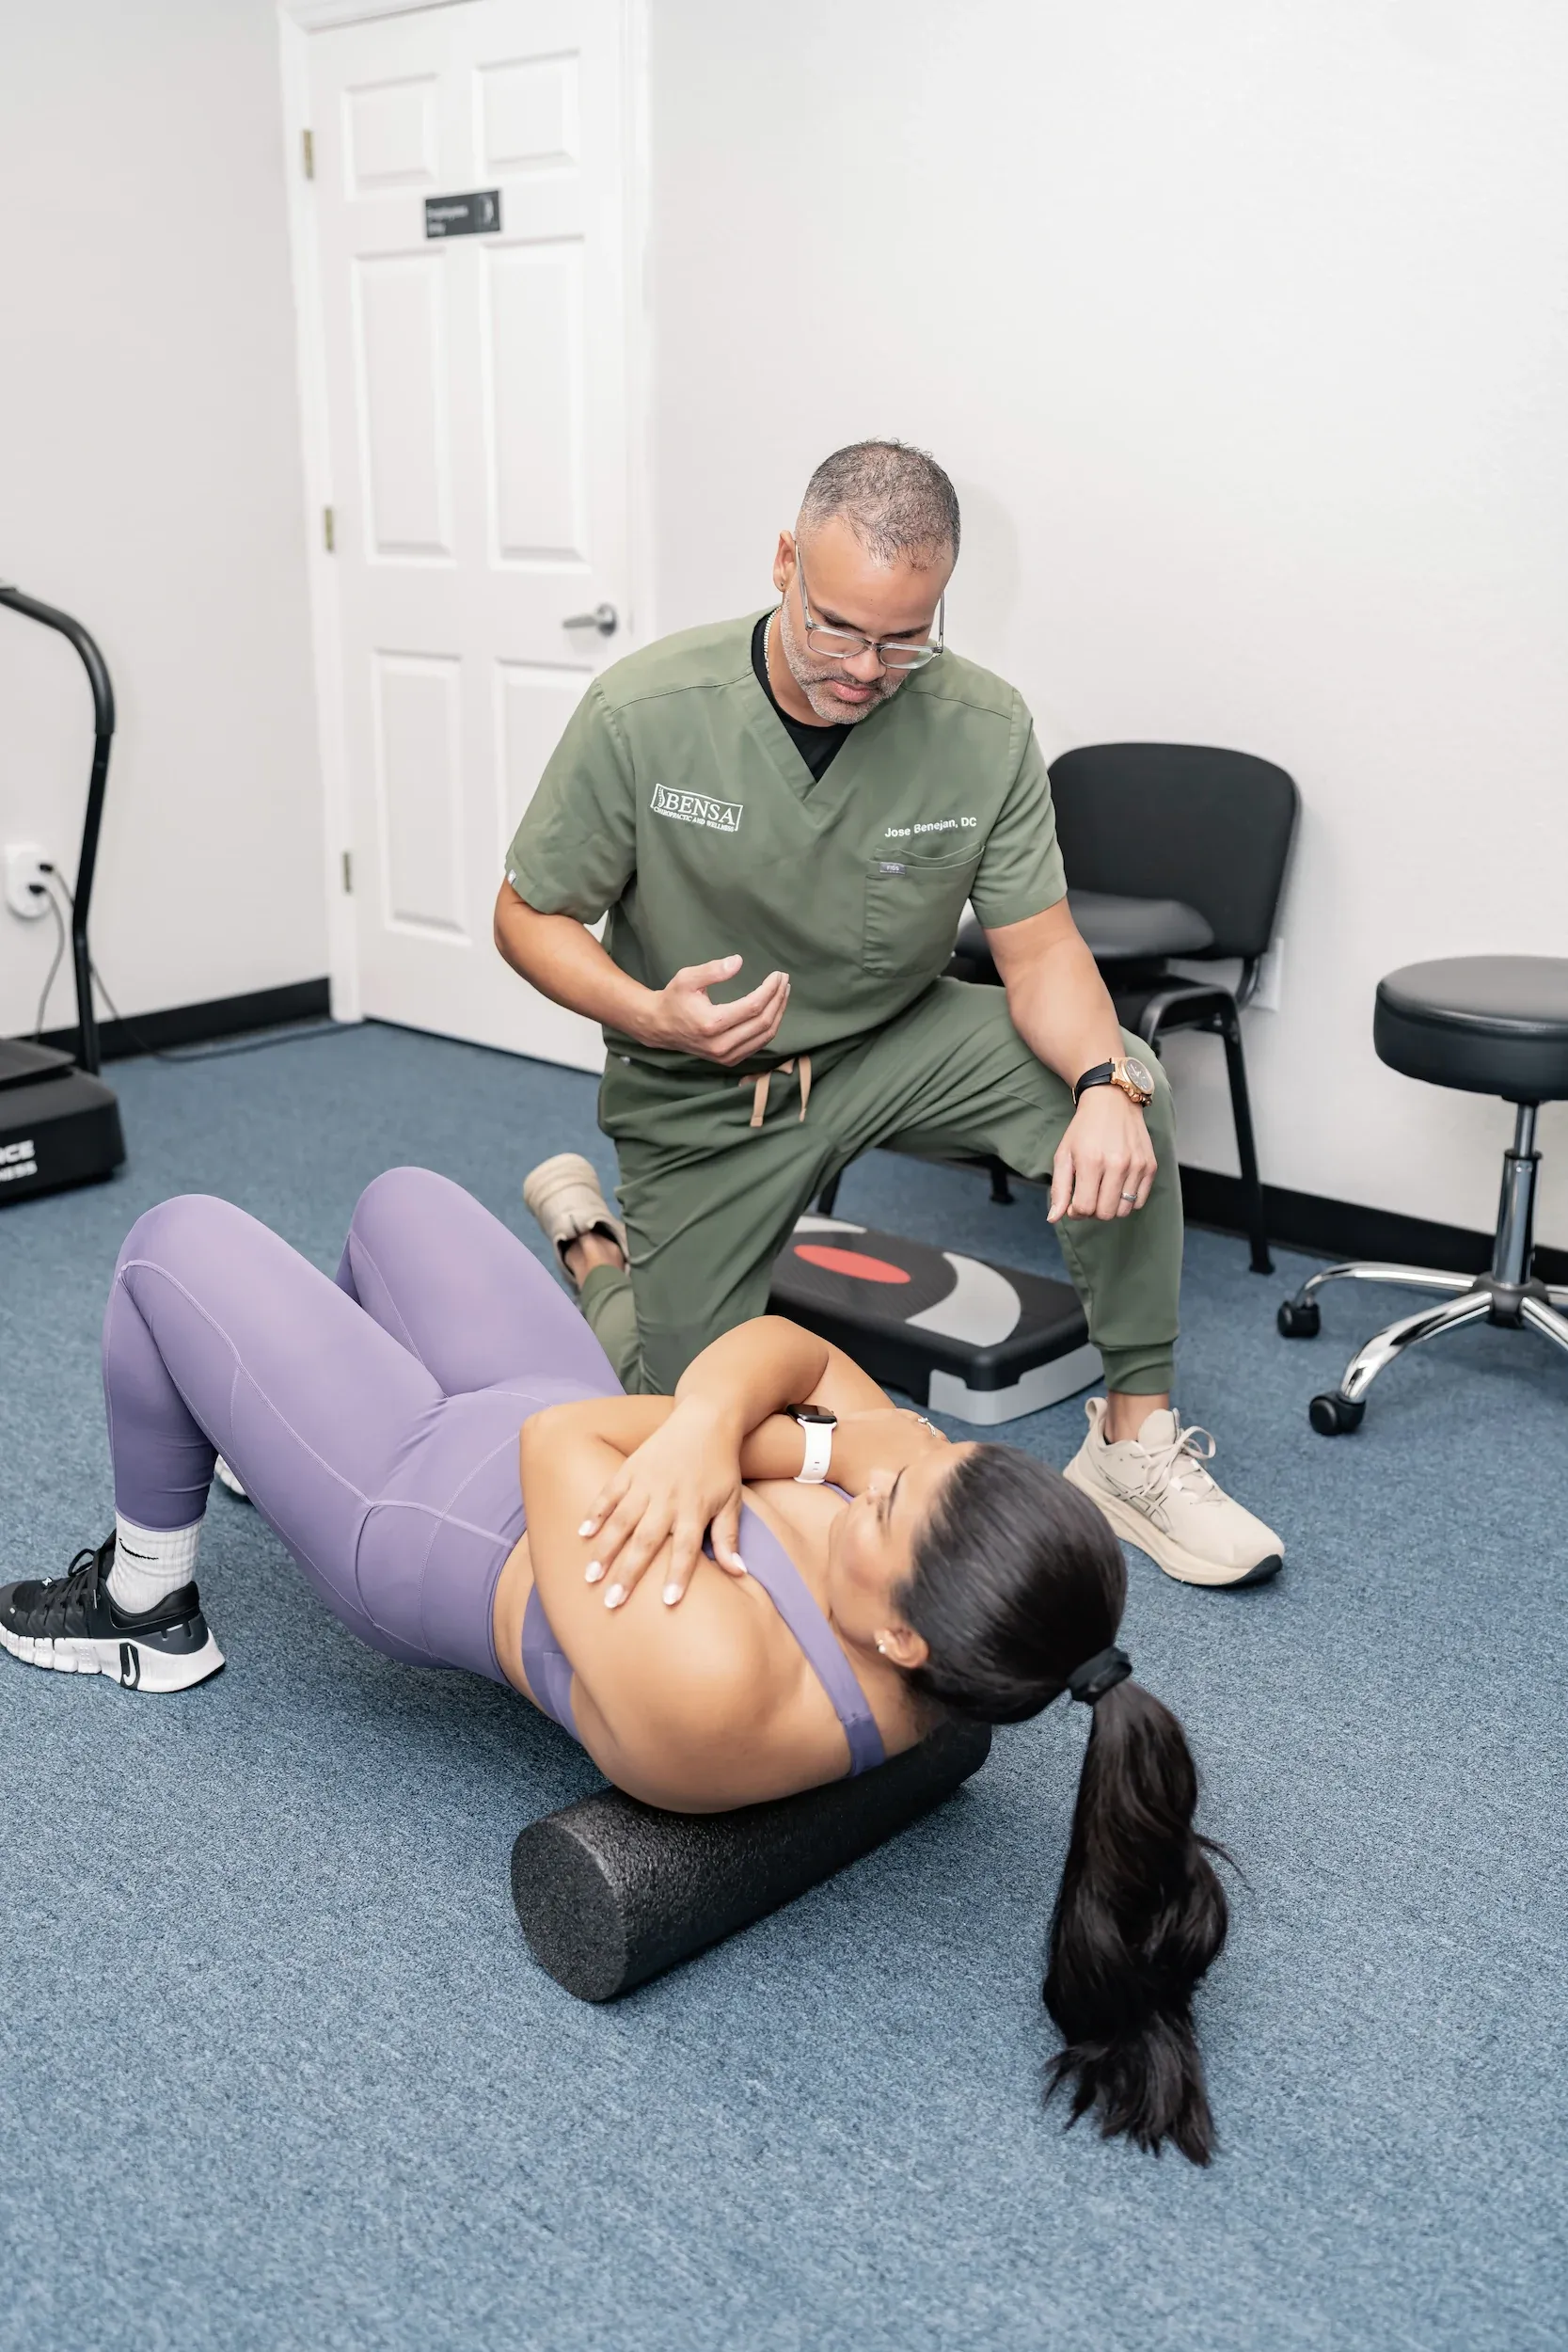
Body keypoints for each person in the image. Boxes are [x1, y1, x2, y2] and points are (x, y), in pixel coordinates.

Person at [2, 1168, 1227, 2162]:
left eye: (886, 1503)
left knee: (173, 1241)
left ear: (903, 1642)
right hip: (555, 1410)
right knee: (399, 1198)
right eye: (914, 1468)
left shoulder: (716, 1688)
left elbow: (562, 1452)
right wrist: (731, 1436)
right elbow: (791, 1360)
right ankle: (260, 1427)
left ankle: (142, 1599)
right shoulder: (936, 1561)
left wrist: (778, 1447)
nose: (898, 1461)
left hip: (427, 1500)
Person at [496, 438, 1281, 1592]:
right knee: (672, 1412)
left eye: (904, 636)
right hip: (708, 1082)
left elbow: (1042, 950)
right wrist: (646, 1014)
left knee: (1123, 1080)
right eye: (837, 628)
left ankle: (1131, 1444)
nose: (866, 668)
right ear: (781, 565)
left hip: (896, 1044)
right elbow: (527, 916)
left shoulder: (984, 726)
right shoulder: (644, 713)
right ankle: (592, 1247)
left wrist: (1105, 1085)